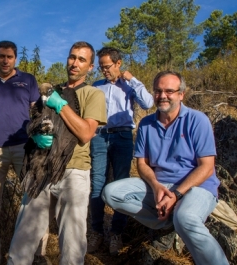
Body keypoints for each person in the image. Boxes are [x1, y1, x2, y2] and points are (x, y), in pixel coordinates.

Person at [102, 71, 229, 265]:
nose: (163, 96)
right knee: (111, 193)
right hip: (161, 186)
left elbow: (206, 166)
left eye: (169, 91)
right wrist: (155, 185)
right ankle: (168, 221)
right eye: (158, 91)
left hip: (197, 187)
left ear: (181, 94)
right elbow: (142, 163)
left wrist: (176, 194)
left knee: (186, 217)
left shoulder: (197, 120)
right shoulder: (146, 124)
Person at [7, 41, 107, 265]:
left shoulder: (93, 94)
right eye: (72, 57)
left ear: (90, 67)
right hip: (42, 168)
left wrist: (60, 105)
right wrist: (34, 136)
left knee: (72, 244)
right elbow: (34, 123)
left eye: (82, 60)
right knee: (23, 239)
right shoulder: (51, 92)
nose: (75, 63)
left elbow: (85, 133)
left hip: (74, 172)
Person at [0, 40, 49, 265]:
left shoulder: (28, 80)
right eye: (1, 56)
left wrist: (39, 137)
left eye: (9, 57)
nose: (5, 60)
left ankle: (37, 253)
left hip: (24, 147)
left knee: (36, 197)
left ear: (15, 59)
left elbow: (38, 112)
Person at [88, 47, 154, 255]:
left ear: (118, 63)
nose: (104, 71)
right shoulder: (96, 86)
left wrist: (132, 79)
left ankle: (116, 233)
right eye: (101, 67)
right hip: (99, 136)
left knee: (121, 183)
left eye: (107, 66)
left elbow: (148, 103)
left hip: (123, 137)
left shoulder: (129, 86)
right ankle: (96, 231)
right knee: (97, 182)